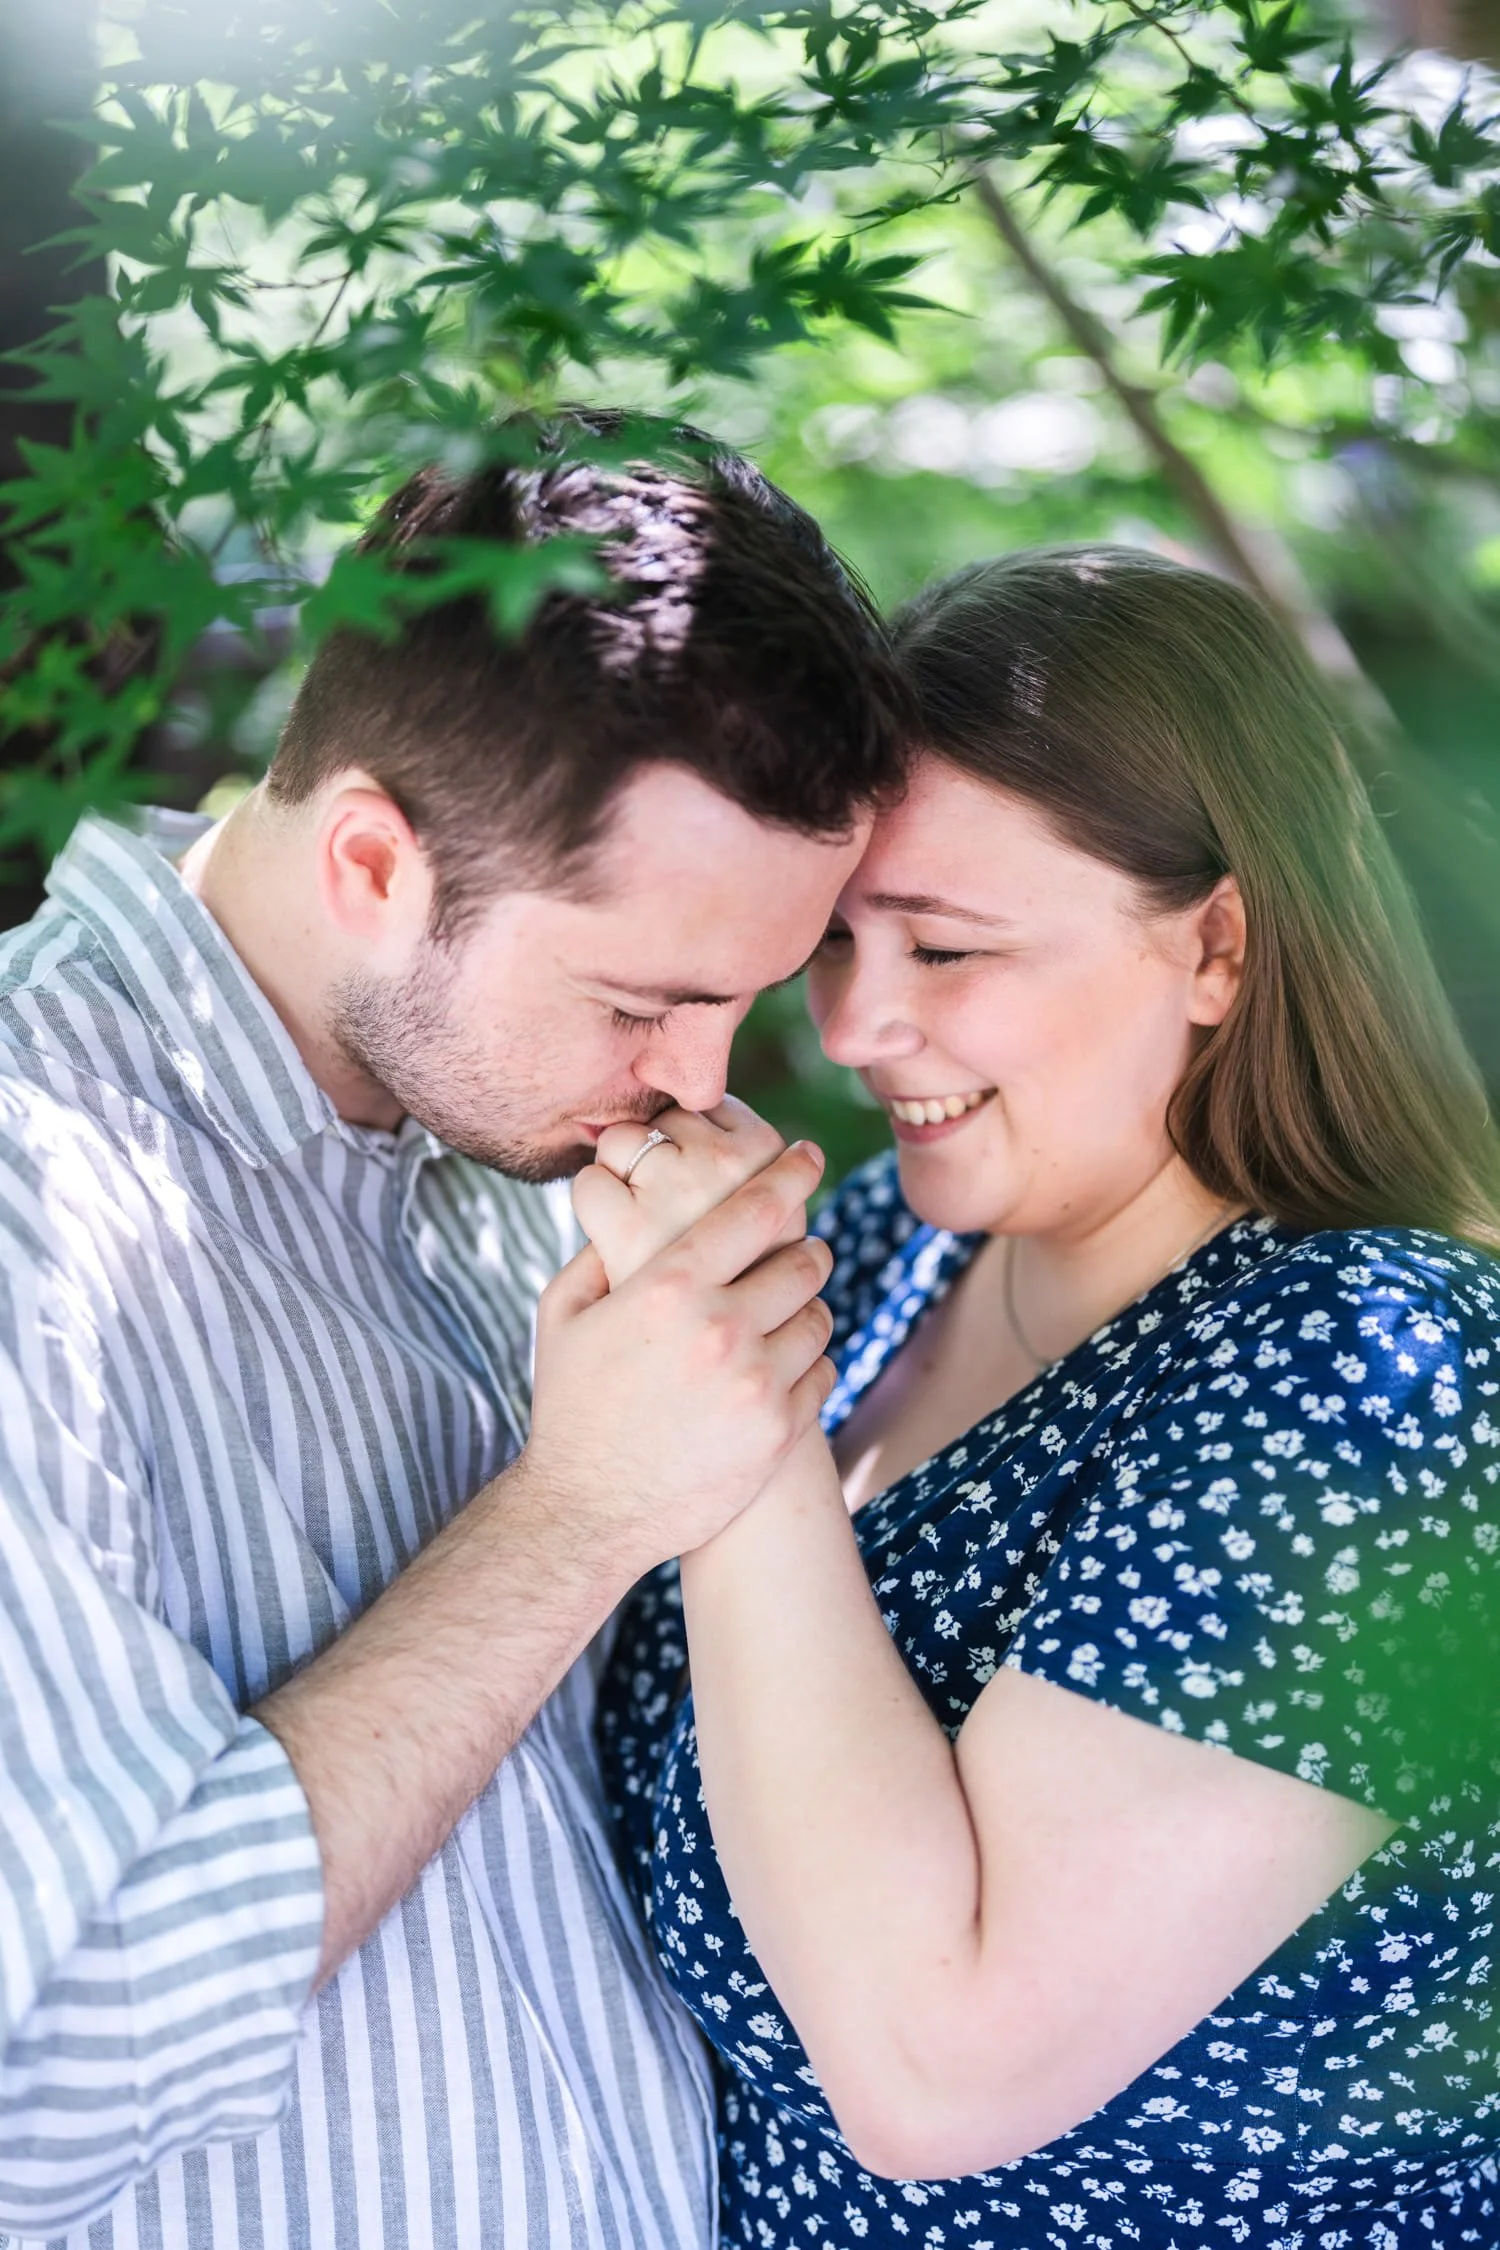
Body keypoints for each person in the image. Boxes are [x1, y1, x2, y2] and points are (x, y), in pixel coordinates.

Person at [0, 411, 911, 2248]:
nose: (696, 1081)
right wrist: (578, 1514)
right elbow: (41, 2076)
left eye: (741, 1000)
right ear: (370, 865)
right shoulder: (35, 1192)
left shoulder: (517, 1164)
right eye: (647, 997)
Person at [593, 545, 1500, 2250]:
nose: (857, 1027)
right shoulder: (874, 1252)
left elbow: (938, 2071)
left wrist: (739, 1413)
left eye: (945, 947)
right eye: (839, 940)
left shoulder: (1385, 1374)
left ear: (1218, 945)